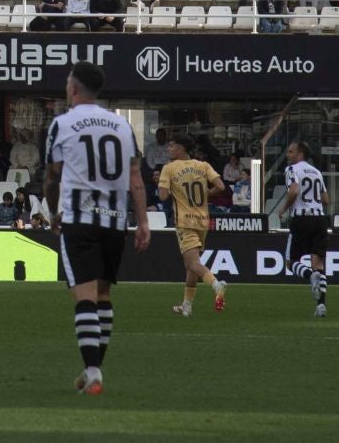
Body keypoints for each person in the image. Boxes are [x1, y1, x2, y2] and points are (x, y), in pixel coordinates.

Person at [43, 60, 149, 397]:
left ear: (73, 88)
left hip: (80, 219)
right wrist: (143, 220)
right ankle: (93, 369)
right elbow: (136, 178)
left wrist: (54, 209)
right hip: (114, 222)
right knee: (103, 295)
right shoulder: (121, 126)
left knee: (84, 296)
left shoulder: (62, 124)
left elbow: (52, 175)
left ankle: (92, 371)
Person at [156, 136, 228, 318]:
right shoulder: (202, 165)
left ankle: (216, 284)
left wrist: (168, 187)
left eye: (172, 145)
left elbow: (163, 196)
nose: (169, 149)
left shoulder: (169, 168)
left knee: (193, 263)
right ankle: (186, 306)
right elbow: (221, 186)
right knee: (190, 267)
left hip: (184, 222)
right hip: (203, 221)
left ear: (180, 148)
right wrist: (205, 194)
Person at [274, 139, 331, 318]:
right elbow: (326, 199)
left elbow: (294, 190)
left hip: (301, 218)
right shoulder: (316, 172)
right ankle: (321, 305)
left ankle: (308, 276)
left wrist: (283, 208)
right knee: (319, 264)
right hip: (320, 219)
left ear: (300, 154)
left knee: (291, 262)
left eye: (291, 152)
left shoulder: (292, 169)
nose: (287, 155)